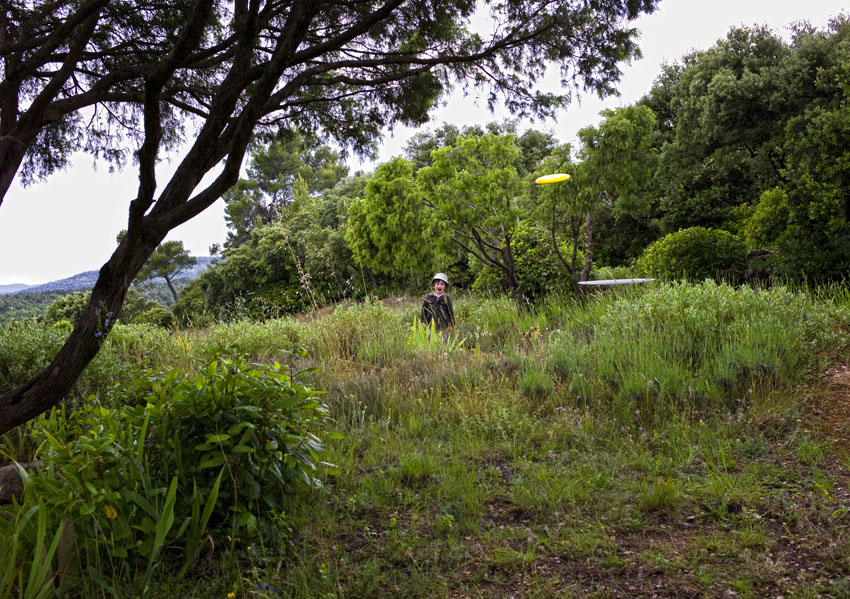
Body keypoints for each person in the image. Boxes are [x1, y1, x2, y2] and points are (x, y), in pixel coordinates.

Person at [421, 272, 455, 339]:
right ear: (434, 285)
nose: (439, 286)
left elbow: (450, 312)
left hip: (442, 326)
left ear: (445, 286)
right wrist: (422, 321)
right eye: (437, 284)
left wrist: (452, 324)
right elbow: (423, 309)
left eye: (442, 284)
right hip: (430, 325)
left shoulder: (446, 298)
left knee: (442, 342)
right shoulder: (429, 297)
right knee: (431, 341)